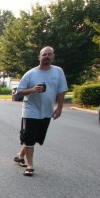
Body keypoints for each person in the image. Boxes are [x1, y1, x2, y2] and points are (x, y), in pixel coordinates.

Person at [13, 46, 68, 176]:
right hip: (30, 110)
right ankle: (30, 166)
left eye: (49, 54)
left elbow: (61, 90)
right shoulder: (31, 73)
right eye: (44, 54)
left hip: (46, 111)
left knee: (36, 138)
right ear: (40, 57)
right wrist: (32, 89)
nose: (47, 57)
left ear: (53, 56)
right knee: (29, 138)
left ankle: (20, 155)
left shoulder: (58, 71)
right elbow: (19, 92)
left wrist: (59, 107)